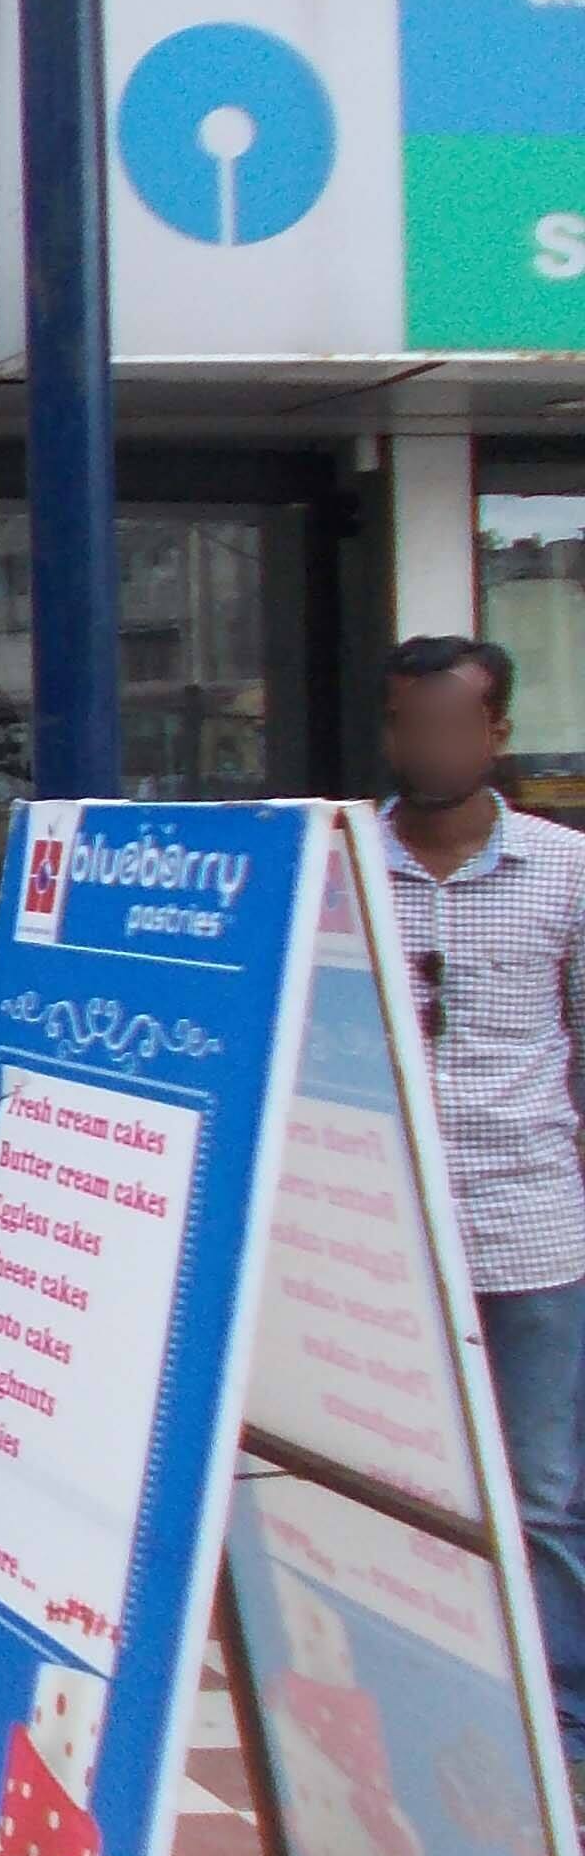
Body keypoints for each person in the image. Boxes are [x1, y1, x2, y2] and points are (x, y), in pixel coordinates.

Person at [380, 632, 585, 1781]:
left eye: (451, 726)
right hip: (382, 1239)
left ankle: (553, 1737)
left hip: (530, 1228)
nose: (428, 748)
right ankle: (425, 1708)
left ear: (497, 734)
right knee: (401, 1489)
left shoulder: (565, 871)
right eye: (408, 725)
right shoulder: (345, 863)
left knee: (543, 1493)